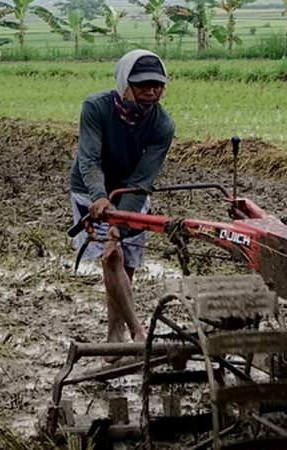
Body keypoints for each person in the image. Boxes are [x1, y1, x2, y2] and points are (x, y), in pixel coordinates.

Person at [68, 49, 175, 359]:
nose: (152, 91)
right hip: (91, 190)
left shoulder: (162, 126)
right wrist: (100, 197)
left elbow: (143, 178)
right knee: (111, 259)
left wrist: (118, 225)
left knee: (125, 265)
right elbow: (89, 158)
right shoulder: (96, 108)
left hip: (130, 192)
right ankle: (137, 332)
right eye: (143, 85)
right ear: (124, 83)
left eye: (157, 85)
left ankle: (114, 335)